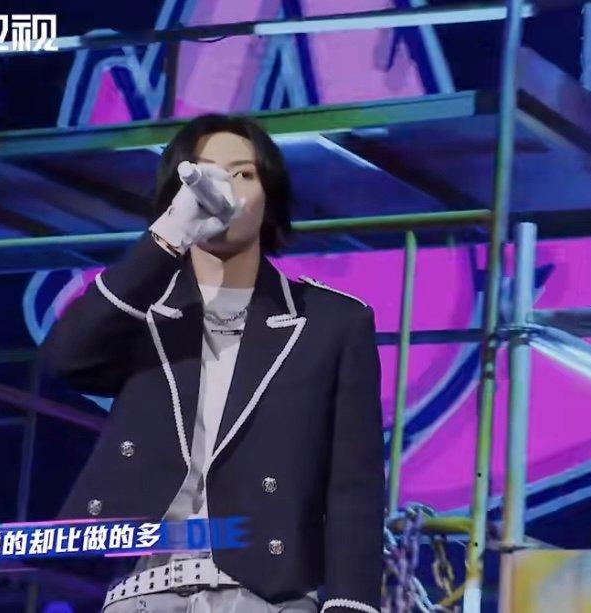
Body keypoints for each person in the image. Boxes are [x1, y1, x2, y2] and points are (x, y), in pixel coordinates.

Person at [39, 114, 384, 613]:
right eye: (204, 174)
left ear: (269, 197)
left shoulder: (331, 322)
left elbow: (354, 485)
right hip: (139, 589)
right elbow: (65, 360)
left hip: (267, 596)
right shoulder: (143, 310)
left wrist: (350, 606)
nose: (221, 190)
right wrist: (167, 237)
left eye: (242, 174)